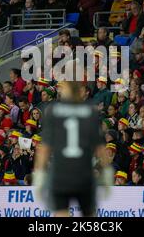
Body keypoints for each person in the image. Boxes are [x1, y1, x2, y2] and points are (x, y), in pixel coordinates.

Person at [34, 81, 112, 217]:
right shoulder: (90, 111)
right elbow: (100, 148)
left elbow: (45, 148)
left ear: (66, 89)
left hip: (61, 174)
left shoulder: (53, 111)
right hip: (84, 173)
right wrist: (106, 172)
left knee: (61, 214)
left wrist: (40, 174)